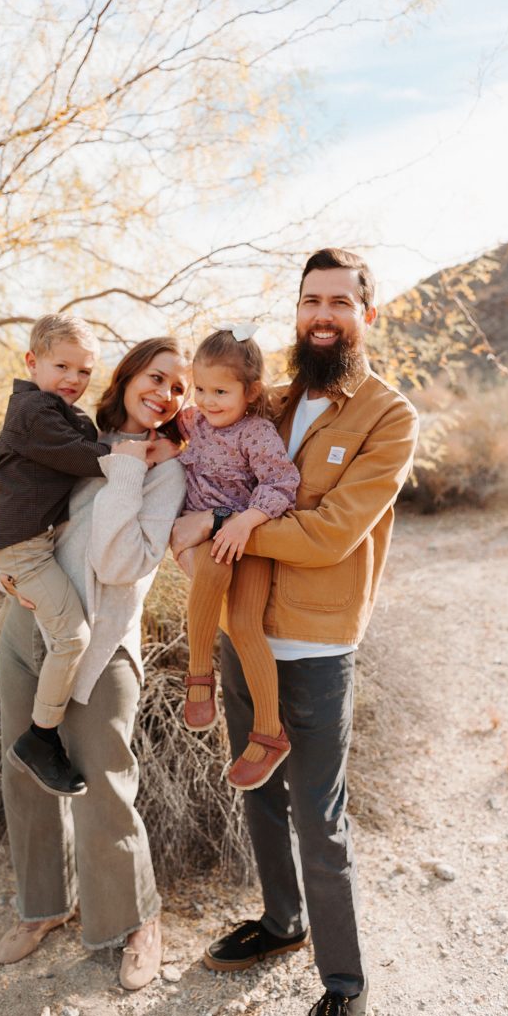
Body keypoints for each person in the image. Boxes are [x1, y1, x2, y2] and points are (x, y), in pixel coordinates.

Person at [171, 249, 418, 1016]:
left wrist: (212, 524)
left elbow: (329, 535)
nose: (322, 314)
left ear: (365, 317)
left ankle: (343, 979)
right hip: (244, 634)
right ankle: (281, 924)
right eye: (311, 299)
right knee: (258, 792)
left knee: (318, 812)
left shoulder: (388, 415)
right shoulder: (267, 402)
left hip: (313, 645)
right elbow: (199, 444)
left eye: (339, 302)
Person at [0, 336, 190, 993]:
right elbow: (9, 510)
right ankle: (42, 907)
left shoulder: (165, 471)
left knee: (106, 787)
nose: (165, 393)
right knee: (23, 773)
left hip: (101, 645)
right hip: (28, 629)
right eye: (156, 377)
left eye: (180, 388)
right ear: (129, 375)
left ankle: (137, 921)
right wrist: (3, 579)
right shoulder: (77, 434)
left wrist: (131, 464)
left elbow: (117, 563)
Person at [0, 313, 135, 797]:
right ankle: (41, 738)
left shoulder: (51, 411)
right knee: (71, 636)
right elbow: (87, 460)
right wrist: (141, 455)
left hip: (22, 536)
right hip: (20, 547)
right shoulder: (34, 413)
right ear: (33, 362)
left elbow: (84, 440)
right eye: (62, 366)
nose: (73, 379)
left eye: (84, 372)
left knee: (40, 598)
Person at [178, 325, 300, 790]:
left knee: (248, 626)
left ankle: (269, 732)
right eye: (201, 388)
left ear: (250, 392)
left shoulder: (256, 433)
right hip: (213, 541)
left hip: (250, 539)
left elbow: (282, 483)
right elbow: (167, 424)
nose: (208, 400)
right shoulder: (196, 423)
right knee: (210, 570)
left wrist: (246, 520)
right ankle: (200, 675)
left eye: (221, 391)